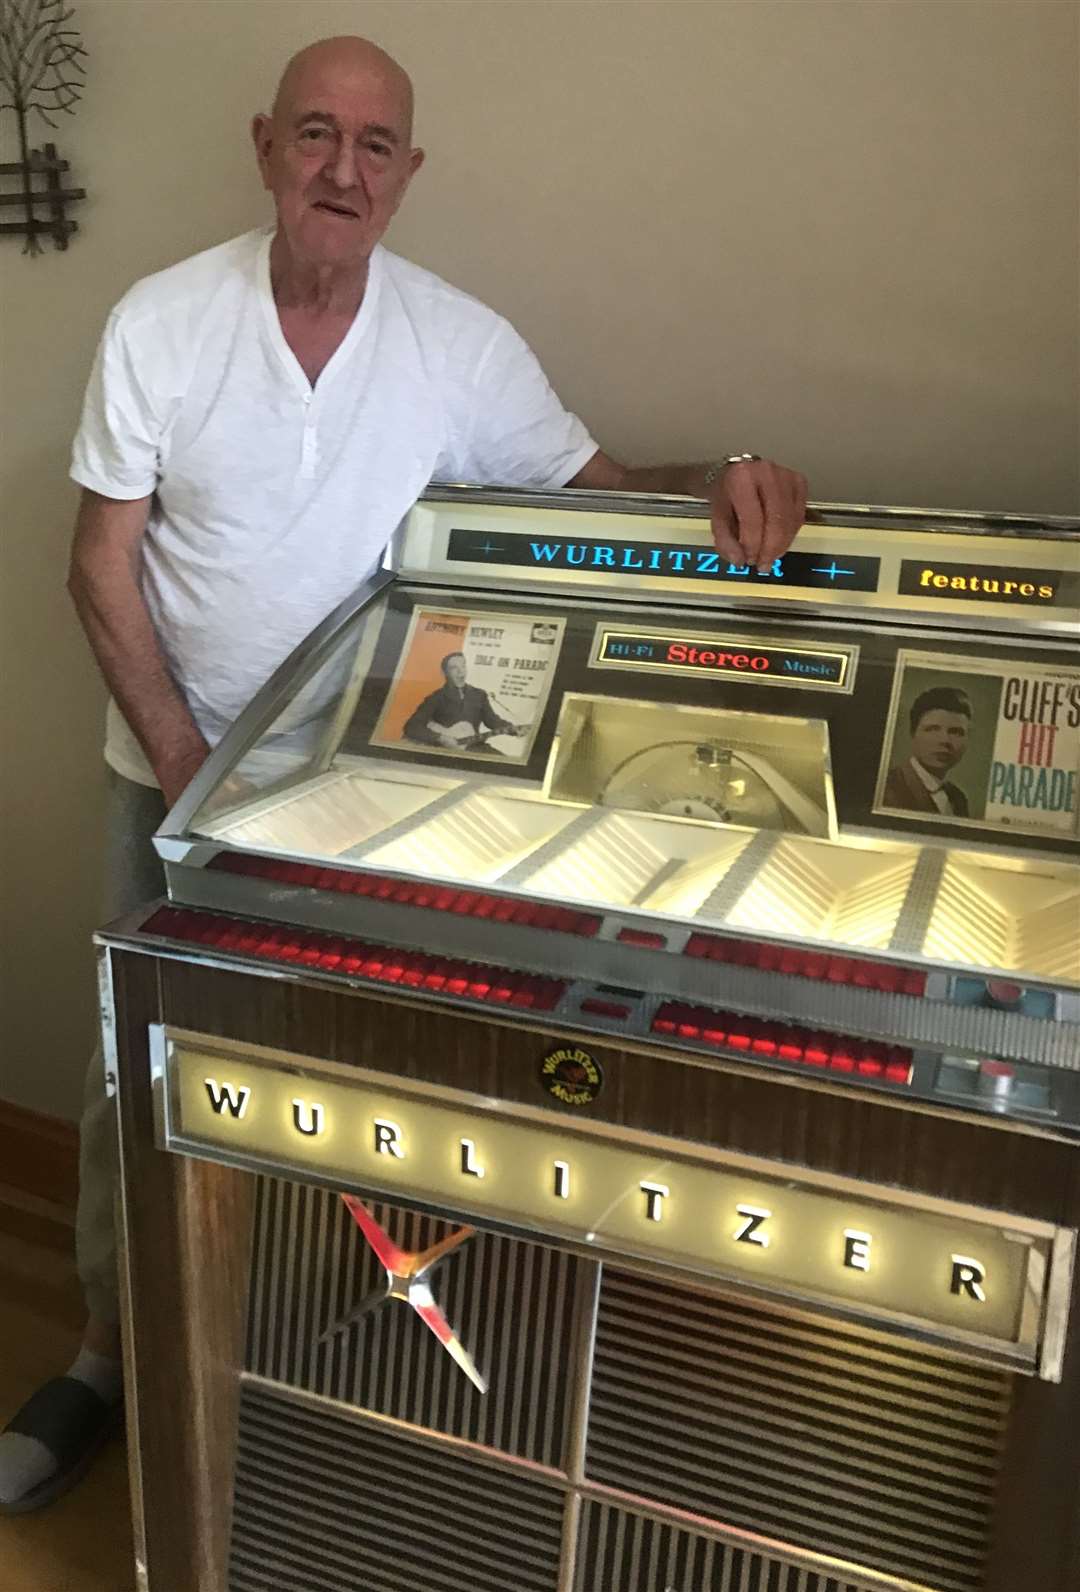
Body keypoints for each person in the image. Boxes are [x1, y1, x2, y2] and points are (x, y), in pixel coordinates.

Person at [0, 34, 808, 1512]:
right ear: (264, 149)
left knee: (347, 1095)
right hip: (170, 788)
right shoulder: (161, 323)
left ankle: (295, 1376)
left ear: (410, 175)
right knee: (138, 1087)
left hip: (366, 808)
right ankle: (112, 1358)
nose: (344, 170)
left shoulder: (460, 344)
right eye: (317, 135)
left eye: (376, 147)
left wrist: (717, 481)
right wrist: (191, 773)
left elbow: (599, 498)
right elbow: (99, 568)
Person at [883, 685, 973, 817]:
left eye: (956, 732)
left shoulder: (958, 798)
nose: (944, 740)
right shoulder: (888, 790)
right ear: (913, 734)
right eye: (932, 729)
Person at [403, 651, 523, 750]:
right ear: (444, 673)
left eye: (463, 666)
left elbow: (492, 721)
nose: (461, 671)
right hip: (447, 750)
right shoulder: (436, 698)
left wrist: (513, 729)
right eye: (454, 668)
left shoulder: (479, 695)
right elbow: (411, 726)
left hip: (476, 747)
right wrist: (441, 738)